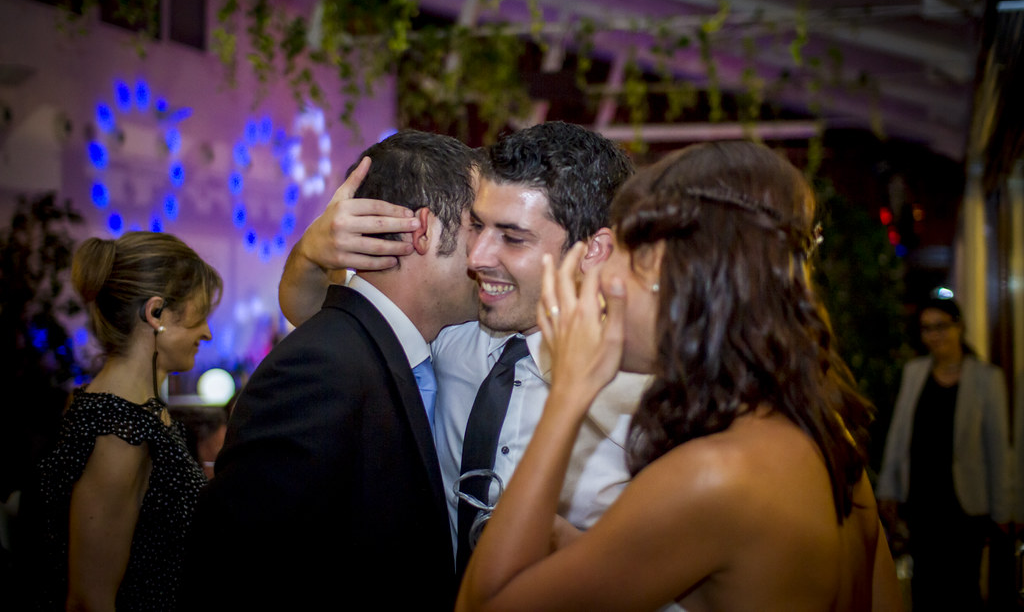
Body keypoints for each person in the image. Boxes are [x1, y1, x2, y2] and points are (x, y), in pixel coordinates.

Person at [456, 141, 903, 611]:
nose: (603, 282)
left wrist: (568, 395)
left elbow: (482, 605)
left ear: (676, 280)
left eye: (625, 254)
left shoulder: (715, 473)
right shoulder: (820, 434)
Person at [278, 121, 644, 579]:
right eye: (478, 227)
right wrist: (310, 254)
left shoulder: (644, 384)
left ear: (593, 251)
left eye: (513, 237)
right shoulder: (456, 328)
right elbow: (321, 316)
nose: (477, 257)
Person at [179, 130, 478, 611]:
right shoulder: (319, 367)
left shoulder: (400, 347)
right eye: (477, 227)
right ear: (424, 230)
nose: (488, 253)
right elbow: (240, 572)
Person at [21, 231, 222, 611]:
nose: (207, 333)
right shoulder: (118, 431)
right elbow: (88, 599)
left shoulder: (131, 412)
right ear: (155, 313)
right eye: (199, 315)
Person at [877, 294, 1010, 611]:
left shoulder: (986, 379)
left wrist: (1003, 510)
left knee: (963, 588)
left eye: (941, 326)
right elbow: (899, 434)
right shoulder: (915, 372)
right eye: (927, 328)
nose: (934, 335)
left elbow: (998, 449)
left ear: (958, 327)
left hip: (965, 505)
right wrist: (888, 489)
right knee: (926, 587)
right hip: (922, 502)